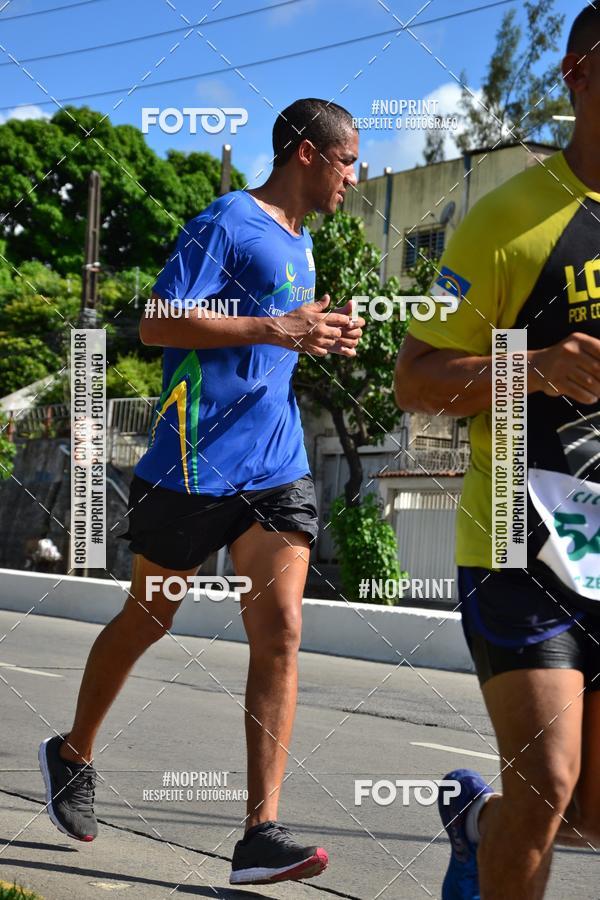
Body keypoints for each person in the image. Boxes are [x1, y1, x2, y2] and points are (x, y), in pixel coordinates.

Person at [39, 97, 364, 886]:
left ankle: (260, 833)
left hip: (276, 469)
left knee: (281, 628)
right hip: (191, 466)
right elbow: (157, 322)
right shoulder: (226, 221)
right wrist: (276, 328)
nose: (355, 178)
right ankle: (73, 751)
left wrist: (320, 336)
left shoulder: (303, 243)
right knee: (150, 617)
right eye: (348, 160)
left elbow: (276, 343)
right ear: (307, 154)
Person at [395, 7, 600, 899]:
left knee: (588, 812)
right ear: (579, 74)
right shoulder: (509, 218)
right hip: (518, 546)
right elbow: (415, 379)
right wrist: (536, 368)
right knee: (548, 783)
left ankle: (477, 826)